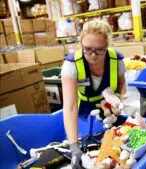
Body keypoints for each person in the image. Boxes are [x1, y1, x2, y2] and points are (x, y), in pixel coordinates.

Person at [61, 19, 126, 169]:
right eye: (87, 49)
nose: (93, 55)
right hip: (84, 106)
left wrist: (118, 102)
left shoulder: (116, 60)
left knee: (112, 144)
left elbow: (122, 85)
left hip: (108, 107)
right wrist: (73, 146)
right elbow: (70, 107)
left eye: (99, 50)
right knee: (85, 141)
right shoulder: (72, 65)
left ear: (107, 46)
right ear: (81, 45)